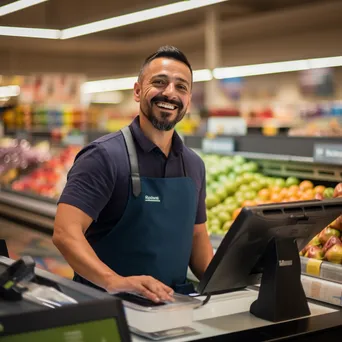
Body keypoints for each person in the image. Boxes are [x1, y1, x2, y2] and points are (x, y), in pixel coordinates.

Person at [53, 46, 214, 303]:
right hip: (106, 309)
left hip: (172, 311)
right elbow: (65, 232)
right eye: (159, 82)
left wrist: (236, 279)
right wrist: (113, 281)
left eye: (181, 87)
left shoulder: (193, 165)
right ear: (138, 91)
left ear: (188, 100)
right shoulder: (103, 157)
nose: (170, 93)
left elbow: (197, 238)